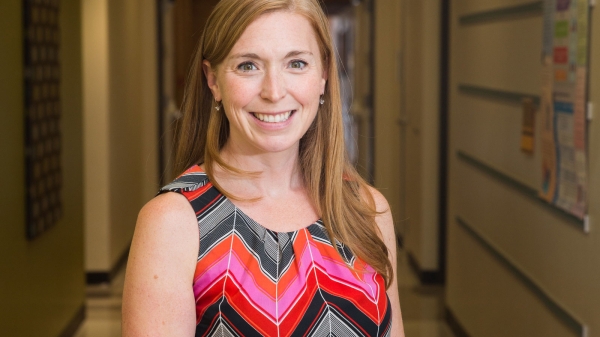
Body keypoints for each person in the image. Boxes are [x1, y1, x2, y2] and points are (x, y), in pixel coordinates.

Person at [122, 0, 404, 335]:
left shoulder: (367, 211)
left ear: (324, 75)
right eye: (248, 66)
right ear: (212, 80)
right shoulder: (172, 225)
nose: (273, 92)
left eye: (296, 63)